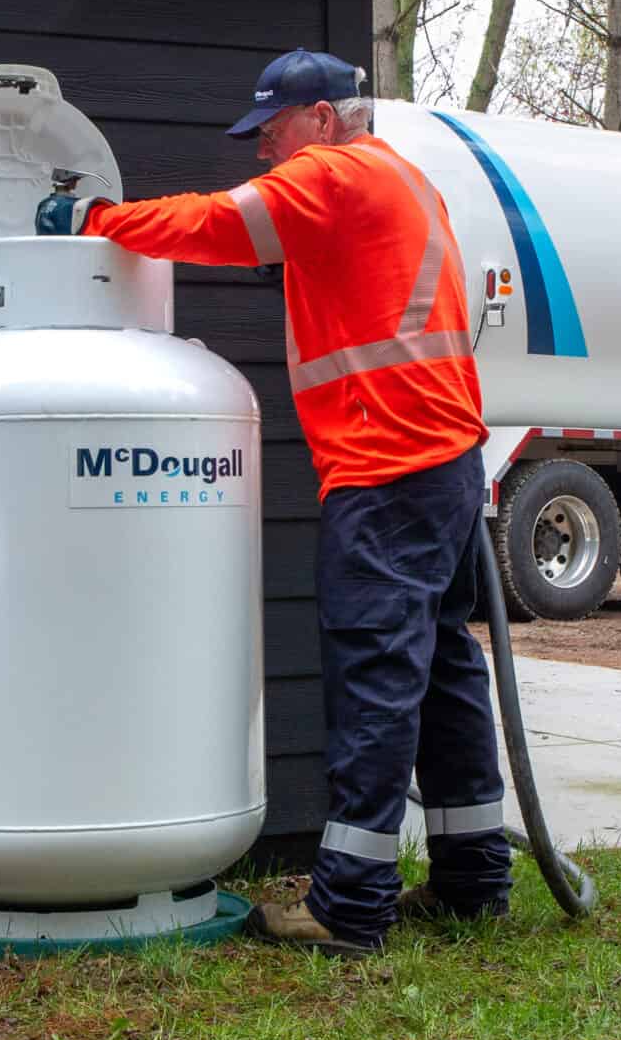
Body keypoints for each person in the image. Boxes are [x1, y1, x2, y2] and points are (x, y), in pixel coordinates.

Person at [60, 48, 513, 957]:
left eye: (272, 129)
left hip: (387, 465)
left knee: (376, 673)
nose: (265, 148)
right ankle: (473, 881)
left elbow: (215, 223)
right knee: (441, 671)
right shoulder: (401, 178)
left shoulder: (333, 174)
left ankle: (349, 903)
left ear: (322, 118)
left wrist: (94, 218)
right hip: (446, 460)